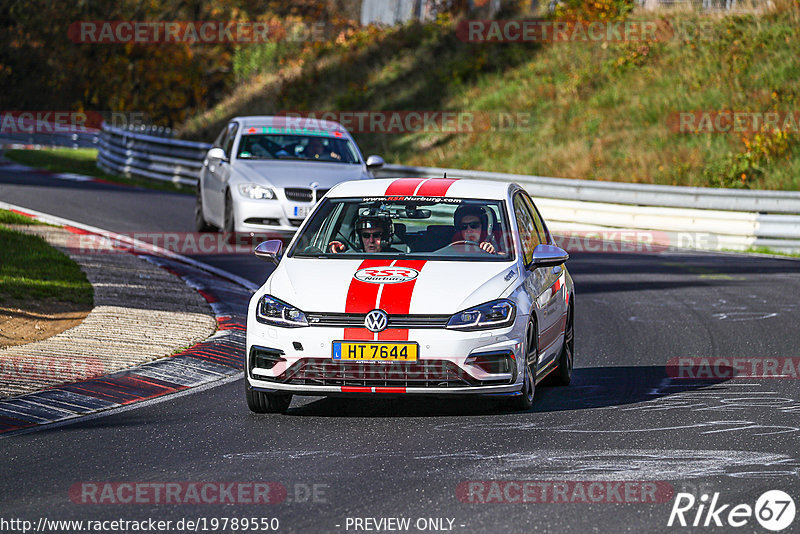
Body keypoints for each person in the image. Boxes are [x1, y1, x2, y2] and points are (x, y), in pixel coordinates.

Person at [329, 216, 394, 253]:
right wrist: (338, 254)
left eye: (376, 235)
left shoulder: (397, 257)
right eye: (366, 236)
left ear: (385, 237)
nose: (371, 240)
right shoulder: (351, 256)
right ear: (359, 239)